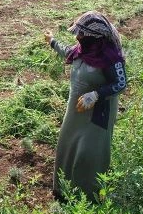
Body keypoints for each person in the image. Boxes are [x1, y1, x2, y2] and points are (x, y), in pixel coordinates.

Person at [45, 11, 127, 202]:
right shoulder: (82, 51)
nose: (77, 37)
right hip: (75, 112)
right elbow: (67, 52)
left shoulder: (110, 59)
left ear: (94, 37)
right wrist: (52, 41)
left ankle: (87, 197)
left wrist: (97, 94)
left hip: (97, 114)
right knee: (68, 147)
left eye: (81, 34)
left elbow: (121, 83)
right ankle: (63, 190)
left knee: (89, 153)